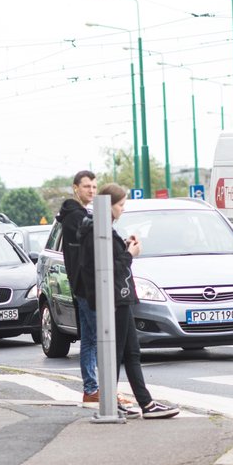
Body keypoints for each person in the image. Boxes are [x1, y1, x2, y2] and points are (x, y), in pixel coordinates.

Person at [78, 183, 179, 419]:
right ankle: (114, 403)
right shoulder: (98, 231)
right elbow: (109, 268)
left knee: (130, 352)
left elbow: (106, 261)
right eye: (121, 205)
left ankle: (144, 403)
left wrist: (123, 247)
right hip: (115, 298)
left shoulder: (98, 230)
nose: (123, 209)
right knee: (117, 353)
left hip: (117, 297)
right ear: (109, 206)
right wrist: (130, 254)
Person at [56, 170, 100, 407]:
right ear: (75, 188)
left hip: (80, 285)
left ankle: (91, 389)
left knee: (90, 339)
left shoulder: (74, 214)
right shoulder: (76, 216)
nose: (91, 191)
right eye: (86, 187)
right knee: (98, 339)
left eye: (94, 187)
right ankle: (95, 389)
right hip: (86, 286)